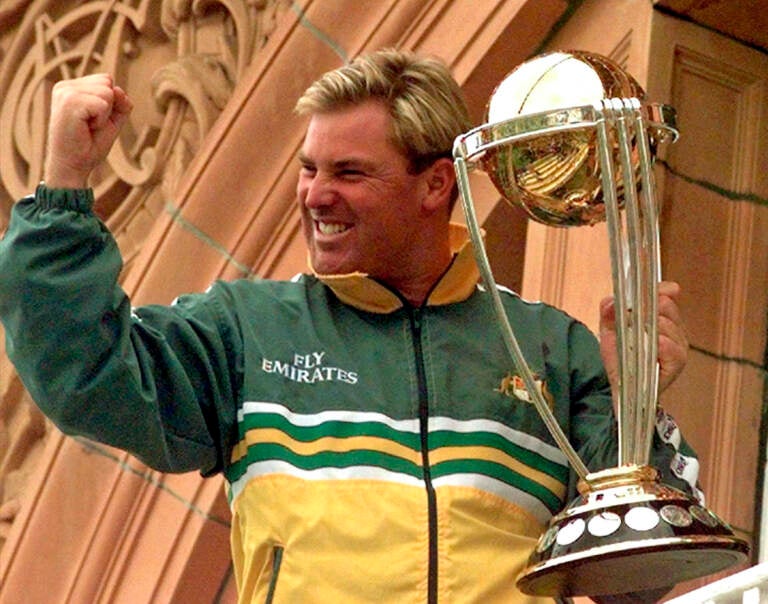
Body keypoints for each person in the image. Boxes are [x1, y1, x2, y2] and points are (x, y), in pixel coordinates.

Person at [0, 49, 695, 603]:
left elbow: (638, 580)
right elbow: (86, 376)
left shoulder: (552, 347)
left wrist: (637, 399)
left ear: (436, 185)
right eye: (308, 169)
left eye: (350, 172)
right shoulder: (249, 332)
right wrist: (63, 186)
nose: (314, 194)